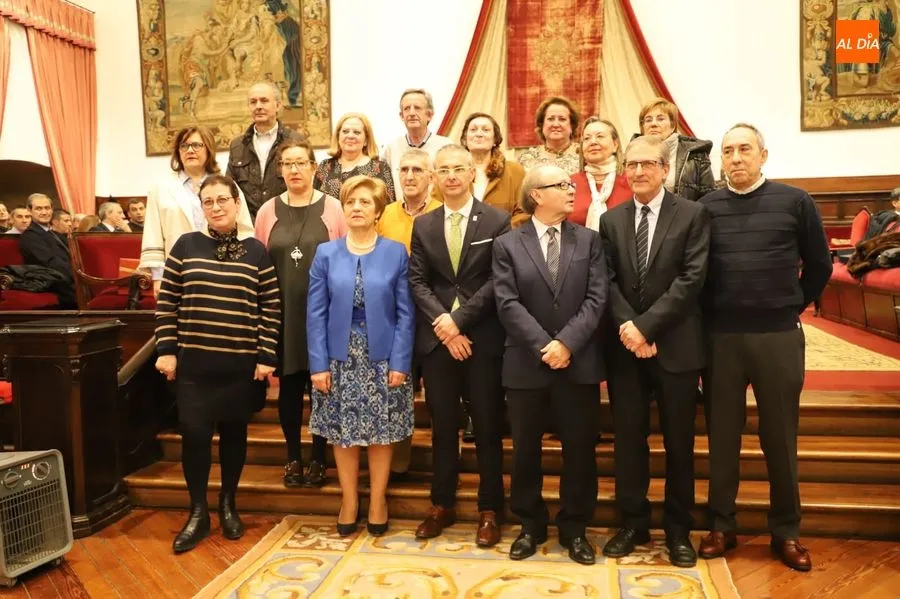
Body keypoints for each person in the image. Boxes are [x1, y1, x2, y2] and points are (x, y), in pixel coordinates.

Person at [698, 123, 832, 572]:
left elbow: (820, 264)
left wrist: (792, 303)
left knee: (780, 437)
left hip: (777, 336)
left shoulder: (795, 201)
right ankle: (722, 525)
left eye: (744, 149)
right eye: (728, 151)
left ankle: (786, 531)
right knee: (722, 436)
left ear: (763, 155)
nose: (736, 158)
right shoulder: (706, 207)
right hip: (721, 338)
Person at [598, 136, 710, 567]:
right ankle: (633, 522)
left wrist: (646, 327)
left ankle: (678, 530)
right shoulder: (612, 220)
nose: (639, 171)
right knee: (629, 441)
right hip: (625, 348)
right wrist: (631, 328)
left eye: (648, 163)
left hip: (676, 344)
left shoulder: (693, 214)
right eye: (632, 164)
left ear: (665, 169)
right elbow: (606, 280)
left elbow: (692, 279)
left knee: (679, 443)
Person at [155, 174, 281, 555]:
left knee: (234, 437)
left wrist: (266, 355)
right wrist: (166, 349)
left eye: (222, 200)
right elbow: (167, 301)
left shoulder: (256, 251)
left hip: (239, 367)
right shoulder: (185, 246)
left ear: (237, 203)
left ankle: (228, 503)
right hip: (194, 367)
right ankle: (198, 512)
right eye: (208, 202)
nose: (216, 207)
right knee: (194, 437)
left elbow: (271, 306)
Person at [493, 165, 607, 565]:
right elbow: (507, 303)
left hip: (578, 363)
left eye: (570, 184)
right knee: (525, 451)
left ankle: (575, 529)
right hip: (527, 363)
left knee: (580, 451)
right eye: (561, 185)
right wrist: (546, 346)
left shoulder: (590, 240)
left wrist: (567, 344)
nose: (571, 189)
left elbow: (597, 298)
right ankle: (530, 525)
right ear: (536, 195)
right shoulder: (508, 244)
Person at [409, 145, 511, 548]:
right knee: (442, 428)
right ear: (434, 177)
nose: (451, 176)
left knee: (487, 426)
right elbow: (418, 281)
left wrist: (460, 321)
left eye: (458, 169)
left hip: (482, 339)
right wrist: (446, 328)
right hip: (439, 343)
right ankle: (442, 505)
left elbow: (498, 280)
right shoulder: (424, 224)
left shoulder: (497, 220)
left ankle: (490, 509)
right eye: (443, 170)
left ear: (472, 173)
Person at [307, 175, 414, 537]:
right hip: (338, 358)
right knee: (343, 432)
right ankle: (350, 500)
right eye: (350, 202)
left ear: (378, 211)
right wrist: (318, 364)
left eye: (365, 202)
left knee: (382, 432)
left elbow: (406, 313)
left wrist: (401, 362)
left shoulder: (395, 252)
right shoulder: (326, 253)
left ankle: (378, 500)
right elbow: (315, 314)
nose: (356, 208)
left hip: (384, 358)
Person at [254, 139, 347, 489]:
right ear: (280, 170)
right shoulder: (267, 211)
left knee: (322, 389)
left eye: (300, 163)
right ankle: (293, 456)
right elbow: (259, 265)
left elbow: (346, 257)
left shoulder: (333, 208)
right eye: (287, 164)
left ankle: (320, 458)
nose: (294, 170)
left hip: (324, 315)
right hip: (283, 316)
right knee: (290, 389)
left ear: (313, 168)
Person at [375, 148, 442, 481]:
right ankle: (398, 464)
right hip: (394, 318)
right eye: (404, 170)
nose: (410, 176)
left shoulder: (443, 212)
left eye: (417, 170)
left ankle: (445, 463)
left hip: (435, 317)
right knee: (397, 392)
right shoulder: (385, 214)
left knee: (440, 397)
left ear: (431, 176)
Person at [142, 126, 254, 295]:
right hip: (178, 269)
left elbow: (244, 229)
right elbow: (153, 233)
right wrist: (158, 276)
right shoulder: (160, 188)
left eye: (196, 145)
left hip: (224, 268)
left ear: (208, 149)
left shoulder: (226, 184)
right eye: (184, 146)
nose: (190, 150)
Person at [227, 82, 305, 219]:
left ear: (278, 105)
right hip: (249, 225)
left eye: (264, 101)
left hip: (288, 222)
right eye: (253, 102)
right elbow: (230, 189)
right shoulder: (237, 146)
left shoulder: (296, 141)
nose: (258, 106)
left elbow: (305, 186)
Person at [433, 112, 525, 225]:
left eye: (485, 130)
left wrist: (502, 232)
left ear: (495, 139)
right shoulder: (447, 172)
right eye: (473, 130)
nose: (479, 134)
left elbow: (523, 213)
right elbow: (436, 207)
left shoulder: (515, 171)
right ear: (465, 139)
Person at [381, 88, 453, 202]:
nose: (411, 113)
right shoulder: (391, 148)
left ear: (429, 115)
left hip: (438, 210)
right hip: (401, 211)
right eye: (407, 109)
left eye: (417, 108)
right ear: (401, 115)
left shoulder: (446, 147)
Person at [637, 98, 716, 201]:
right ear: (643, 127)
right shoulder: (632, 154)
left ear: (672, 125)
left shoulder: (696, 154)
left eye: (660, 119)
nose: (653, 124)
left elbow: (709, 197)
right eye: (648, 120)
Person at [314, 112, 396, 204]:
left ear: (366, 140)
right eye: (345, 131)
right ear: (338, 136)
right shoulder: (325, 166)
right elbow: (313, 201)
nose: (350, 136)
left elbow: (389, 207)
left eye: (356, 132)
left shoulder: (380, 169)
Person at [569, 117, 632, 229]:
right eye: (587, 138)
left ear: (615, 145)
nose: (593, 142)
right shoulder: (570, 183)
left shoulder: (631, 180)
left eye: (600, 136)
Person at [19, 193, 76, 308]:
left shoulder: (54, 234)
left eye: (47, 208)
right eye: (39, 209)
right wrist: (78, 277)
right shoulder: (30, 236)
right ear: (29, 211)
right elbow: (51, 265)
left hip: (69, 280)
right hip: (54, 284)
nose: (44, 212)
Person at [516, 96, 581, 175]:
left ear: (572, 125)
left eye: (562, 119)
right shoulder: (526, 158)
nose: (556, 124)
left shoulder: (583, 155)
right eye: (550, 119)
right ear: (542, 124)